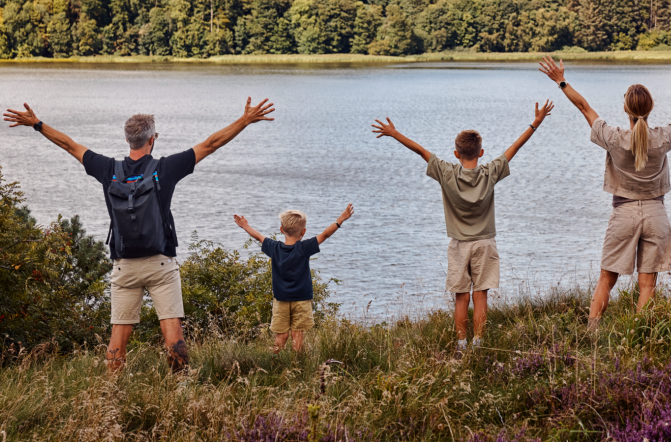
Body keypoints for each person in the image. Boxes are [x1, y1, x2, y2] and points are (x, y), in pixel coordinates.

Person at [3, 97, 275, 371]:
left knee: (118, 335)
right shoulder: (166, 168)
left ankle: (111, 389)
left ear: (127, 140)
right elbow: (211, 144)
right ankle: (180, 386)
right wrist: (245, 120)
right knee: (172, 330)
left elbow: (69, 145)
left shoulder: (108, 169)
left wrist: (37, 123)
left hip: (124, 265)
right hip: (160, 263)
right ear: (152, 139)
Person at [538, 56, 671, 329]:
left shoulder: (613, 137)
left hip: (623, 213)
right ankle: (639, 335)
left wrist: (561, 81)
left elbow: (584, 108)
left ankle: (591, 334)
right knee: (647, 284)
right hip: (656, 215)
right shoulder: (663, 137)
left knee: (606, 279)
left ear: (625, 109)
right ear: (651, 108)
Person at [371, 101, 554, 352]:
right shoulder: (490, 172)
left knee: (461, 297)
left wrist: (394, 133)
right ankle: (478, 344)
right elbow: (515, 147)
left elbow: (421, 151)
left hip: (458, 245)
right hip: (485, 242)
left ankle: (460, 345)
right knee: (481, 295)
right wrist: (536, 122)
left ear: (456, 154)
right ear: (481, 152)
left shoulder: (447, 173)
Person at [234, 204, 354, 354]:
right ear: (303, 231)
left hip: (281, 300)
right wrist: (340, 219)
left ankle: (275, 362)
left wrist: (245, 225)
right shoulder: (304, 248)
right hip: (301, 300)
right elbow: (325, 235)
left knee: (281, 336)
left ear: (281, 230)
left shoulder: (274, 248)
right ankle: (297, 364)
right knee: (297, 335)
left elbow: (258, 236)